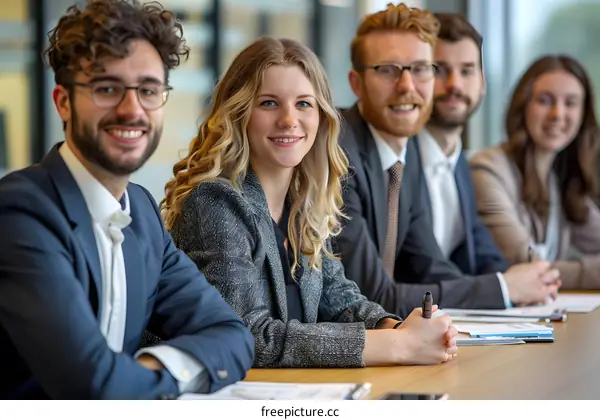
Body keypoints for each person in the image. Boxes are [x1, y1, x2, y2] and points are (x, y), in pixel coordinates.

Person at [0, 0, 253, 399]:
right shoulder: (21, 212)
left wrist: (142, 371)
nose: (131, 109)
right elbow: (91, 387)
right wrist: (174, 372)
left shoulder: (142, 213)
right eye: (107, 88)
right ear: (63, 101)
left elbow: (233, 336)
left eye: (148, 90)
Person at [161, 36, 458, 368]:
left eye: (304, 103)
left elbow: (340, 298)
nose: (289, 119)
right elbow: (249, 336)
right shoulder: (216, 202)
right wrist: (398, 345)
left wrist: (399, 327)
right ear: (239, 113)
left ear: (321, 117)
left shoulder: (303, 202)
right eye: (269, 103)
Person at [335, 3, 560, 318]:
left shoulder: (404, 153)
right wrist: (504, 288)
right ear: (356, 83)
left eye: (421, 69)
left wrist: (511, 292)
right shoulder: (337, 154)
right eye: (387, 70)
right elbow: (370, 295)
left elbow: (430, 267)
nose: (407, 86)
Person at [415, 13, 561, 301]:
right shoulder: (397, 165)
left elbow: (484, 255)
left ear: (482, 82)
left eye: (467, 70)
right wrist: (505, 288)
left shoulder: (459, 164)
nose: (454, 84)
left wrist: (525, 282)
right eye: (440, 70)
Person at [470, 55, 600, 289]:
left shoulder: (559, 177)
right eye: (545, 100)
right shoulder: (488, 169)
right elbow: (524, 266)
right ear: (523, 107)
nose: (558, 114)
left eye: (570, 103)